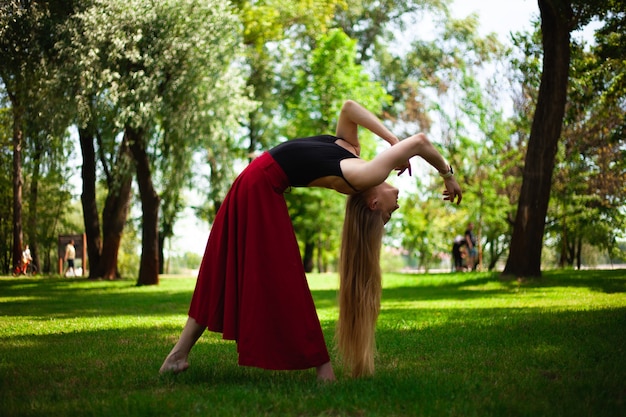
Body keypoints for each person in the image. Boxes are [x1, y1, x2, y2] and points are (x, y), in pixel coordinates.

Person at [160, 100, 462, 381]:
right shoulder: (354, 156)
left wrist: (440, 171)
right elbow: (350, 109)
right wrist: (404, 148)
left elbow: (420, 143)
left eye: (387, 215)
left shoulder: (363, 175)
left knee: (230, 272)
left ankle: (177, 355)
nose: (394, 207)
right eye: (391, 215)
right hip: (256, 183)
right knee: (277, 275)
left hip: (258, 183)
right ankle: (323, 370)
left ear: (373, 204)